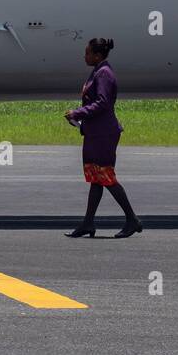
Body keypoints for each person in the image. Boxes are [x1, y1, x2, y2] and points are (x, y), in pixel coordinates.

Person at [64, 37, 141, 238]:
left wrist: (78, 113)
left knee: (106, 177)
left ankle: (132, 219)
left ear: (97, 55)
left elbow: (102, 103)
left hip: (103, 133)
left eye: (88, 53)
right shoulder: (98, 70)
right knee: (96, 179)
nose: (85, 56)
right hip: (94, 132)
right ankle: (88, 223)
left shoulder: (104, 73)